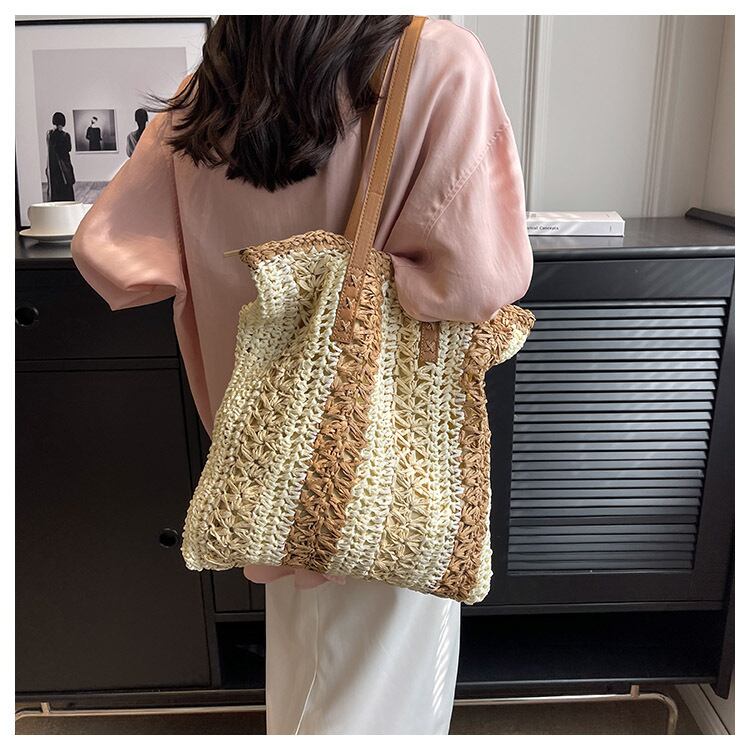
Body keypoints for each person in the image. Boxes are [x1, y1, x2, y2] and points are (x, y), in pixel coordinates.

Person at [71, 16, 533, 734]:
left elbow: (110, 254)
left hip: (265, 457)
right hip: (384, 449)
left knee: (308, 676)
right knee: (378, 696)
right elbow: (473, 282)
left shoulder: (215, 86)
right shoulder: (433, 59)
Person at [45, 111, 75, 201]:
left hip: (53, 166)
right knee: (66, 189)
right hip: (64, 165)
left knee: (56, 189)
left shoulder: (49, 134)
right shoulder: (65, 135)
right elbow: (68, 148)